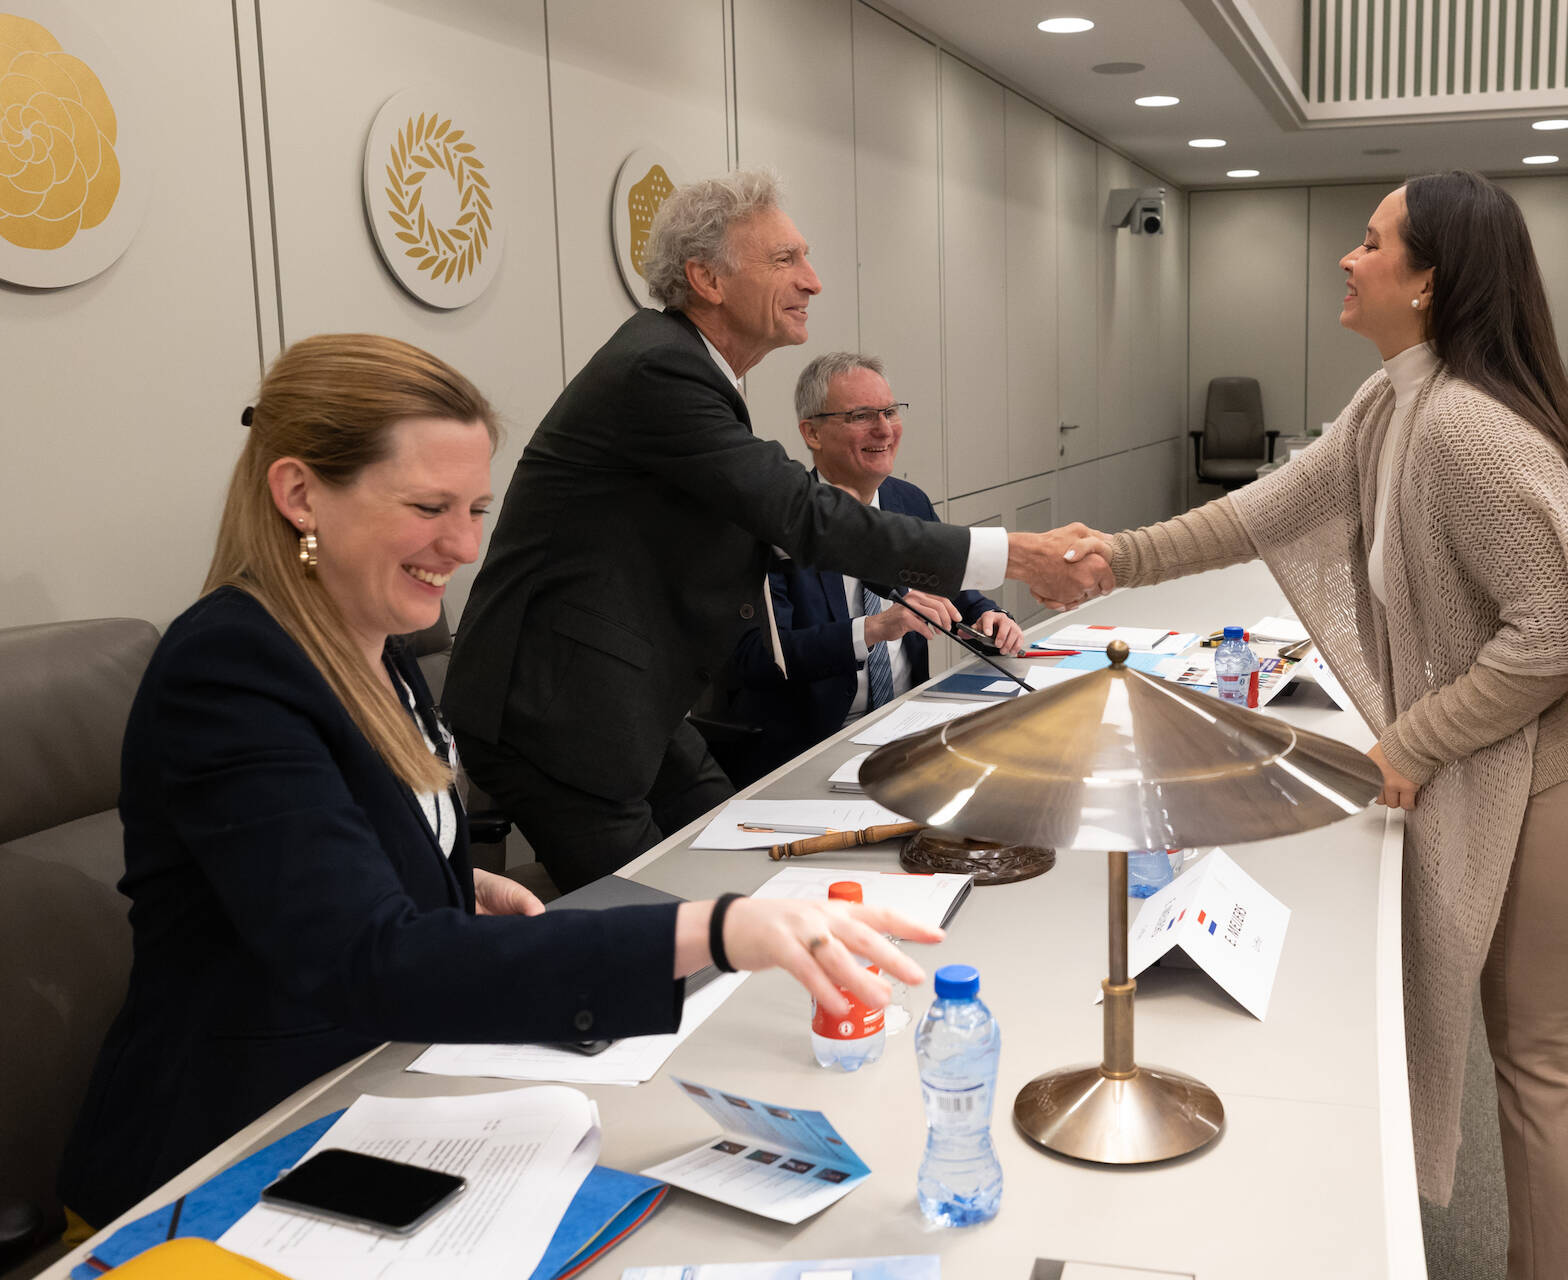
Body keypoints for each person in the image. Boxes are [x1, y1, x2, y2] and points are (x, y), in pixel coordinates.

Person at [57, 335, 943, 1233]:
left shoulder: (376, 646)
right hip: (229, 1152)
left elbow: (314, 851)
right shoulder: (231, 667)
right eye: (429, 506)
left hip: (376, 1089)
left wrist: (446, 877)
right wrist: (718, 929)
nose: (466, 545)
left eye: (477, 508)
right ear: (299, 495)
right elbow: (367, 956)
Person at [1059, 172, 1568, 1280]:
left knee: (1540, 1054)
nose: (1348, 257)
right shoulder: (1400, 399)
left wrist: (1411, 741)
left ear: (1429, 282)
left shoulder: (1465, 428)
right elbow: (1266, 507)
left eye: (1371, 241)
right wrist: (1118, 556)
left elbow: (1549, 639)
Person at [443, 171, 1108, 893]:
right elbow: (799, 513)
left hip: (634, 694)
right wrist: (1016, 554)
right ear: (706, 278)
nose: (814, 281)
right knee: (652, 923)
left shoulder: (686, 368)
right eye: (785, 260)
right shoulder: (658, 370)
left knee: (739, 871)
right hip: (556, 707)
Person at [706, 352, 1023, 785]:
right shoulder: (773, 523)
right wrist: (873, 629)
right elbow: (757, 660)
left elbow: (954, 591)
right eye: (861, 416)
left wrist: (989, 617)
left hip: (906, 730)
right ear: (812, 433)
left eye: (890, 412)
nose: (884, 429)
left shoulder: (907, 501)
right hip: (809, 748)